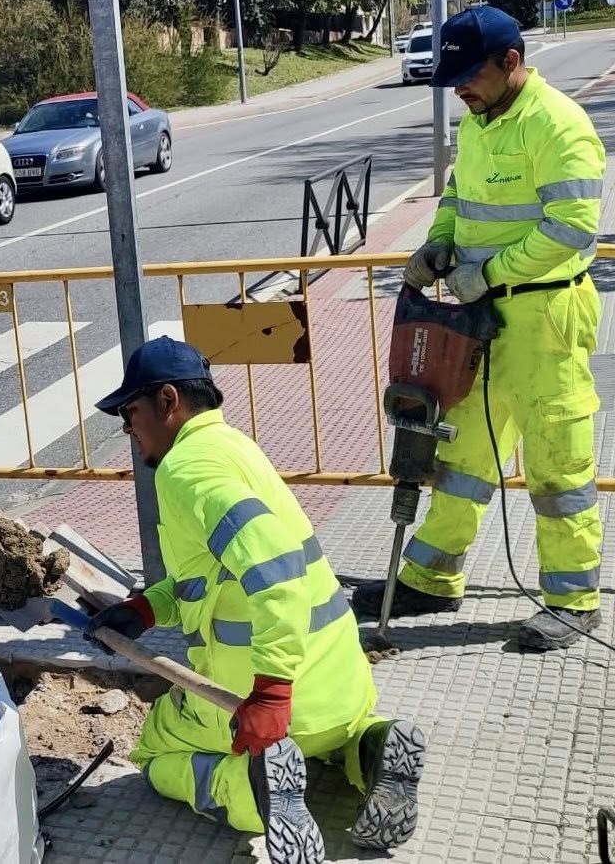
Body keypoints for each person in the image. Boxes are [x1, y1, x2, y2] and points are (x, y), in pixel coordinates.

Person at [90, 336, 425, 861]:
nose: (128, 430)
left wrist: (269, 694)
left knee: (153, 749)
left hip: (264, 707)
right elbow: (209, 578)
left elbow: (274, 567)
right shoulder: (236, 447)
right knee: (334, 739)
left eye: (130, 413)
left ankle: (250, 792)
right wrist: (144, 609)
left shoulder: (185, 469)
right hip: (341, 692)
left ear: (168, 400)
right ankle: (371, 745)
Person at [350, 4, 608, 652]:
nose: (460, 89)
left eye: (470, 75)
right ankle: (432, 578)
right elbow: (457, 198)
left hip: (544, 319)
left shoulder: (558, 124)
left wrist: (488, 273)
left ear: (511, 62)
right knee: (461, 453)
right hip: (477, 320)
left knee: (556, 462)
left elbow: (571, 228)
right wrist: (437, 243)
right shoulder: (478, 121)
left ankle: (573, 599)